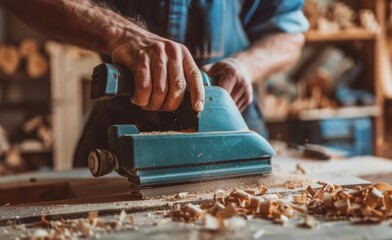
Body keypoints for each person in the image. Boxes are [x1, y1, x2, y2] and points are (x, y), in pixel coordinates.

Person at [1, 0, 308, 167]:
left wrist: (244, 65)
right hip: (126, 116)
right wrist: (119, 33)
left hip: (230, 121)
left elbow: (288, 31)